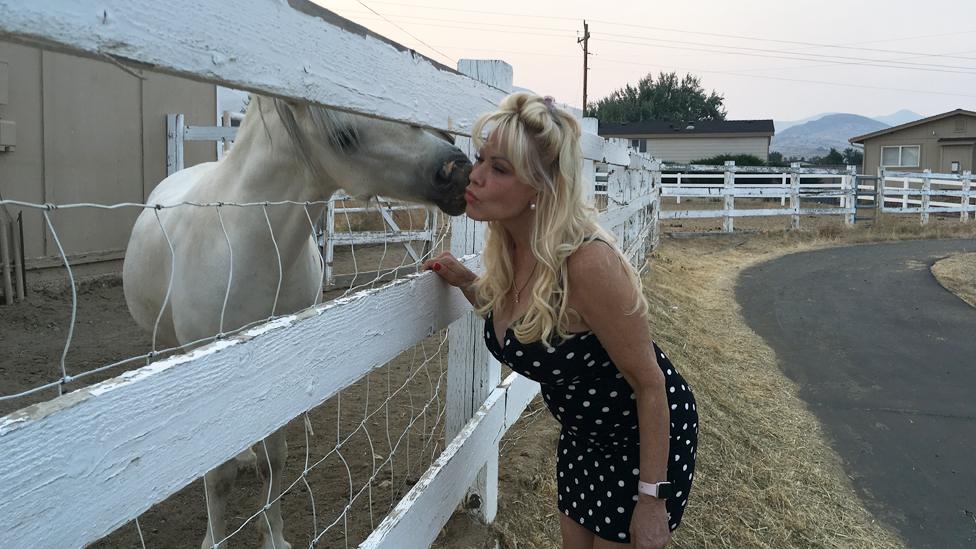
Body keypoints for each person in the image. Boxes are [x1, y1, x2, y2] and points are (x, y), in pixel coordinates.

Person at [421, 92, 697, 549]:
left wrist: (652, 500)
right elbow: (520, 322)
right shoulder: (512, 252)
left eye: (501, 168)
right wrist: (467, 281)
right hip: (583, 437)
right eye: (480, 159)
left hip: (638, 443)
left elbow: (651, 384)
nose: (477, 176)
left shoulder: (586, 265)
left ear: (541, 189)